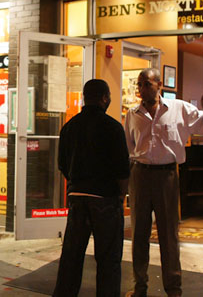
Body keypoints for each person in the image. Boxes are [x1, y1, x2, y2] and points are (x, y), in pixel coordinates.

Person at [125, 68, 203, 297]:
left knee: (169, 234)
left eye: (146, 83)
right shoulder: (133, 113)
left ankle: (173, 288)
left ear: (159, 85)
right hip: (140, 174)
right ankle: (139, 286)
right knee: (139, 233)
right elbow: (129, 146)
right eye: (139, 85)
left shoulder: (179, 109)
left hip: (167, 176)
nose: (141, 89)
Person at [53, 79, 131, 297]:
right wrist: (120, 197)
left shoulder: (69, 127)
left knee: (71, 258)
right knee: (108, 259)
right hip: (105, 198)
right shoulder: (113, 127)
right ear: (105, 98)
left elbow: (63, 165)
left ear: (85, 98)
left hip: (77, 198)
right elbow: (123, 170)